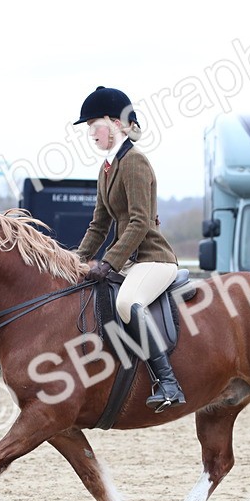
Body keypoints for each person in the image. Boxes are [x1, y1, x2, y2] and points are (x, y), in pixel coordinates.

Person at [74, 85, 184, 412]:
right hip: (130, 261)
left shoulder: (134, 162)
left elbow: (139, 222)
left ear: (118, 124)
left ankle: (168, 382)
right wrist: (74, 263)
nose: (91, 133)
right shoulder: (106, 168)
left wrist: (108, 263)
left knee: (127, 301)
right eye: (88, 127)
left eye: (96, 124)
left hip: (153, 258)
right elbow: (99, 224)